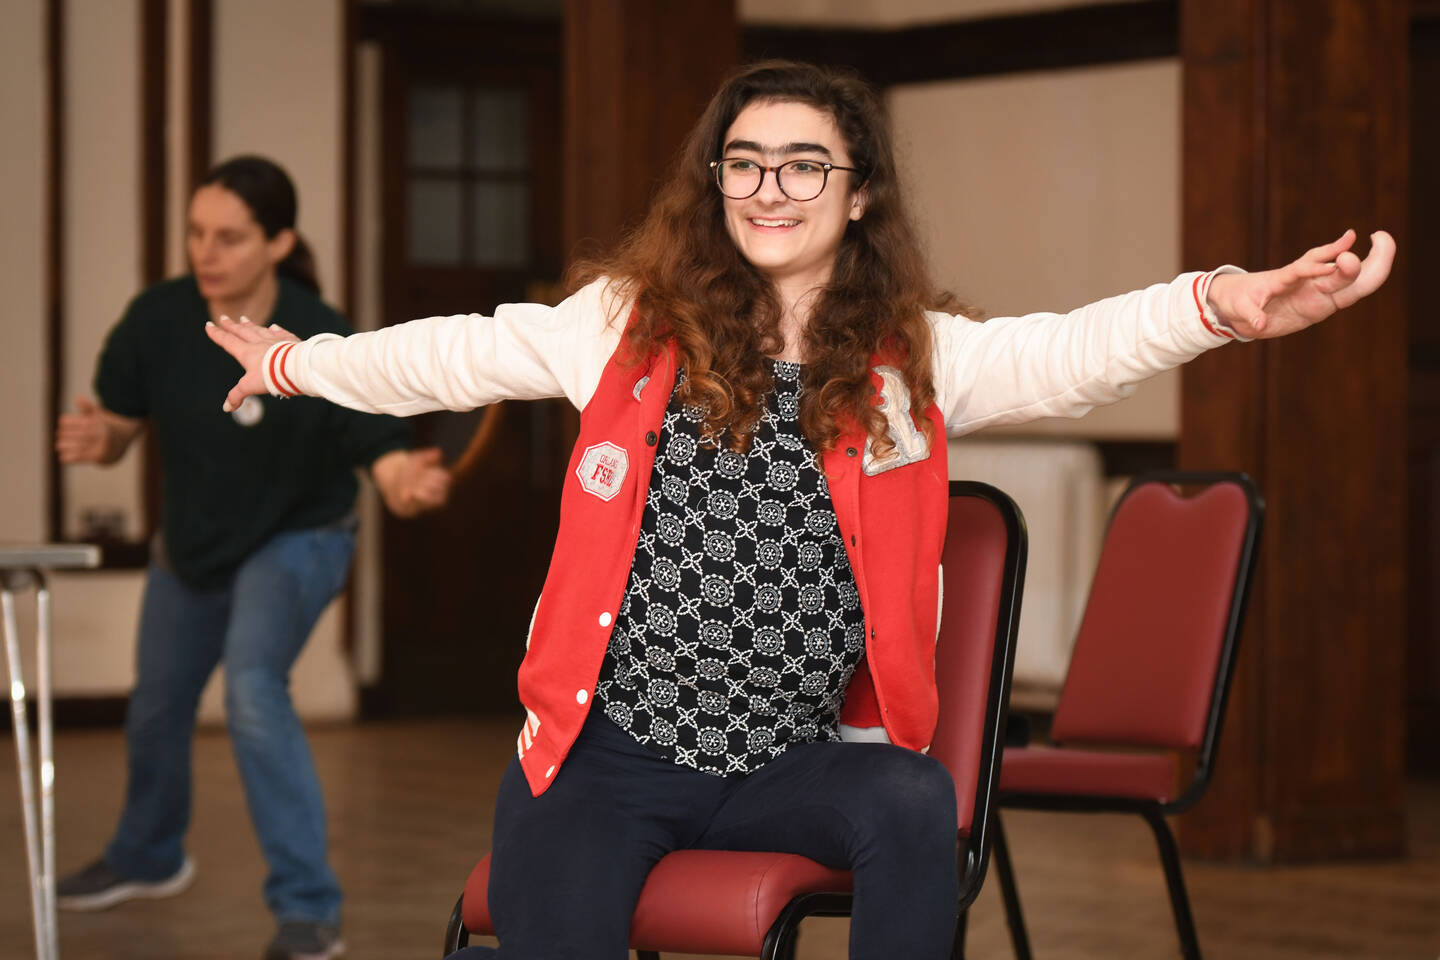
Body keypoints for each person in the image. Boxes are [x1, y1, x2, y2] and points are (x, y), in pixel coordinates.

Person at [207, 62, 1394, 960]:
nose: (770, 188)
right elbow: (460, 355)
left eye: (806, 164)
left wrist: (1223, 304)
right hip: (605, 761)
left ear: (860, 190)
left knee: (915, 803)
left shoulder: (910, 363)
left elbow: (1072, 350)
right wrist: (301, 365)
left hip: (788, 761)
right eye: (745, 161)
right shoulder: (624, 323)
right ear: (715, 181)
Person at [54, 155, 450, 960]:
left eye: (230, 238)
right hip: (194, 543)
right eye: (197, 234)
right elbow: (122, 427)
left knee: (252, 690)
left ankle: (309, 910)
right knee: (158, 706)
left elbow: (378, 451)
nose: (206, 252)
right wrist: (102, 444)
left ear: (278, 243)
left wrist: (403, 478)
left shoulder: (317, 328)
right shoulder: (157, 320)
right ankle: (148, 855)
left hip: (299, 536)